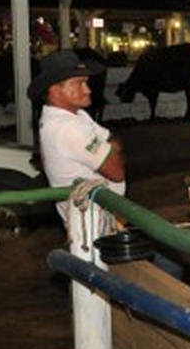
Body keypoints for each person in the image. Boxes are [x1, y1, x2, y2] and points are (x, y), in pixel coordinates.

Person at [29, 50, 125, 233]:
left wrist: (110, 147)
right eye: (79, 83)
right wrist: (111, 147)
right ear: (55, 90)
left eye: (86, 82)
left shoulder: (75, 116)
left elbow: (112, 143)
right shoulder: (67, 128)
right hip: (93, 225)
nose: (88, 89)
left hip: (98, 219)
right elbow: (117, 171)